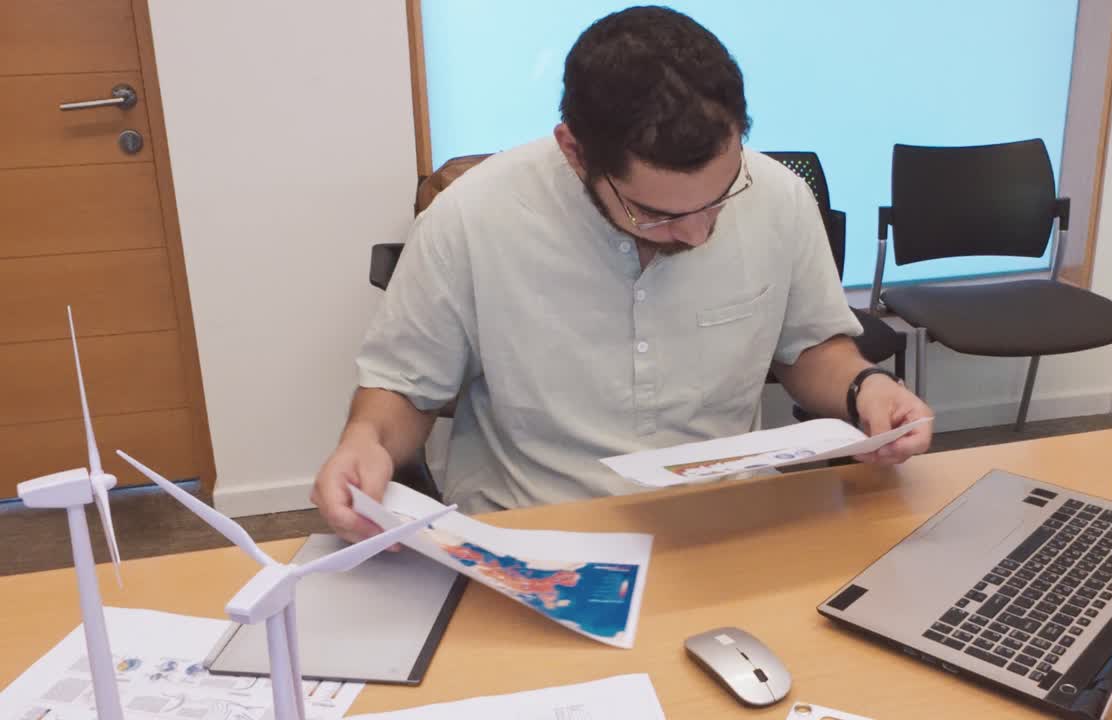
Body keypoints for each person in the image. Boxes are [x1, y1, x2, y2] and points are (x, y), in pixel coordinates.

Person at [312, 5, 933, 541]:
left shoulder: (778, 199)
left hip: (727, 524)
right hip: (536, 533)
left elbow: (809, 348)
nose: (697, 231)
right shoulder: (470, 219)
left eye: (721, 196)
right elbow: (402, 388)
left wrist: (865, 390)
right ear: (575, 151)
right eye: (656, 213)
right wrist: (365, 441)